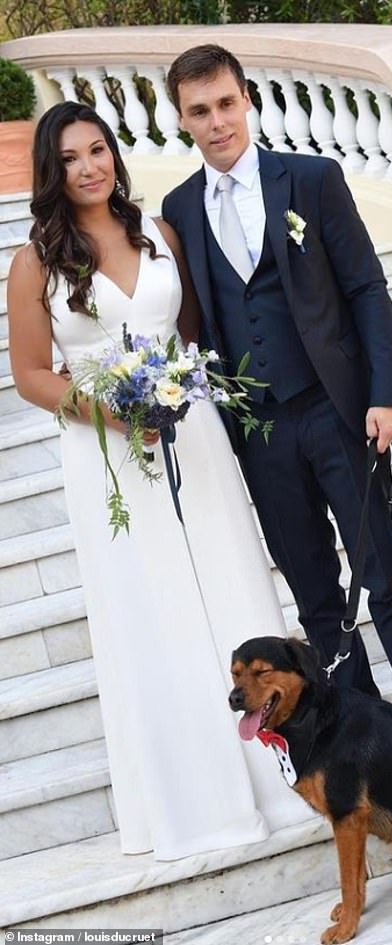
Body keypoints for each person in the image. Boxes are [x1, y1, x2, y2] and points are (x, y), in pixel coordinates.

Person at [7, 101, 312, 861]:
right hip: (109, 452)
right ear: (53, 171)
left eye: (99, 149)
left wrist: (182, 389)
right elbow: (29, 375)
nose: (90, 166)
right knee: (155, 608)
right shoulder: (35, 261)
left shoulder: (161, 233)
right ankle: (197, 800)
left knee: (230, 581)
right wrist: (111, 412)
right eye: (72, 157)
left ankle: (279, 776)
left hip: (192, 432)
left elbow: (195, 332)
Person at [162, 45, 392, 773]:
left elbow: (367, 287)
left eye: (226, 104)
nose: (217, 123)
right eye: (200, 111)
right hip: (261, 432)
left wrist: (386, 393)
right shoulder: (179, 210)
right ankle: (360, 731)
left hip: (338, 410)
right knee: (313, 592)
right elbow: (195, 324)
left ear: (248, 100)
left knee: (384, 573)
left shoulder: (312, 178)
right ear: (181, 119)